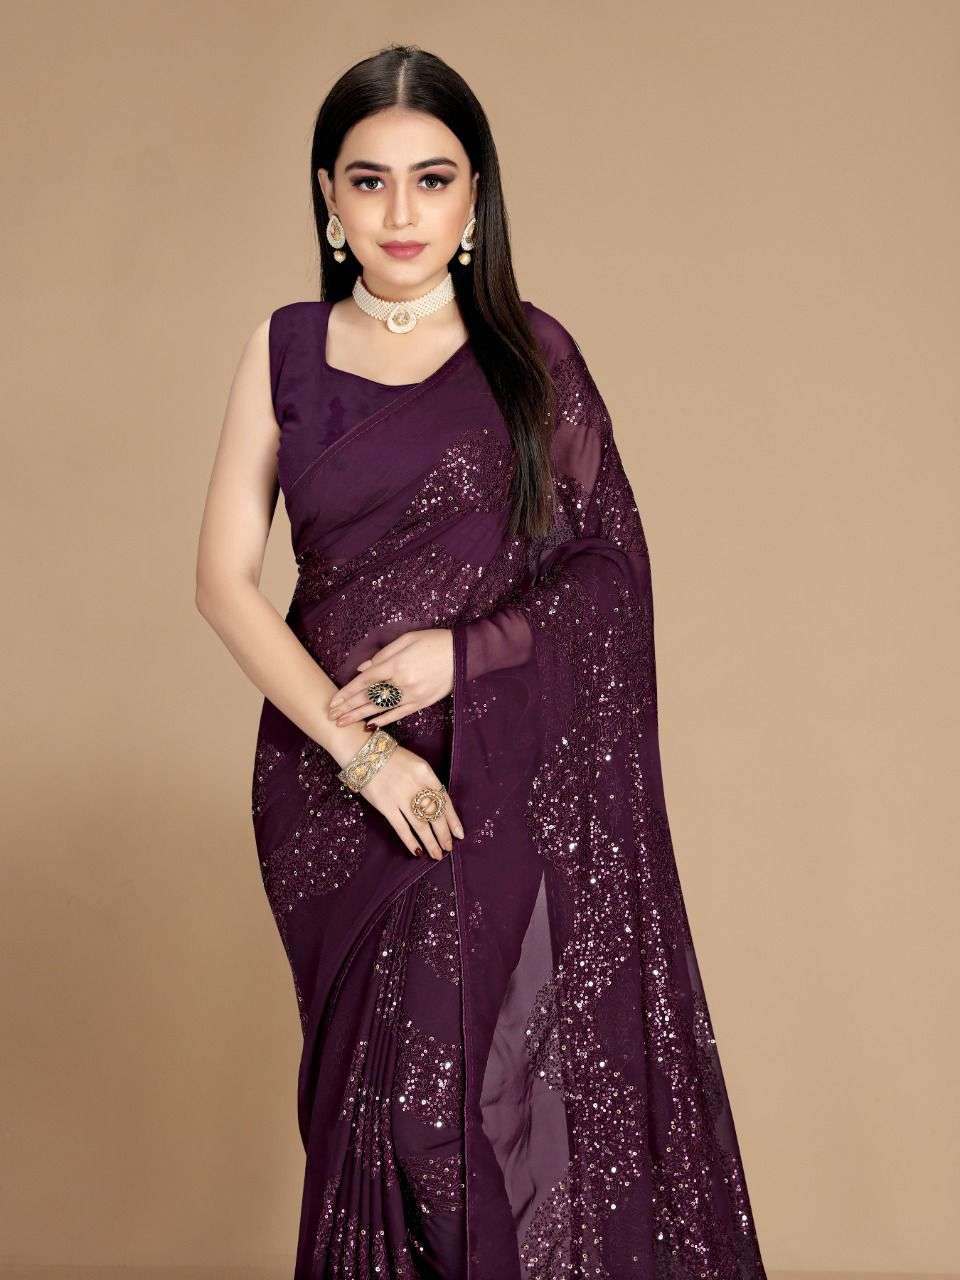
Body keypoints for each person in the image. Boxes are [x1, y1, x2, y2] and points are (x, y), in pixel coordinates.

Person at [195, 42, 768, 1280]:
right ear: (328, 195)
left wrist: (463, 653)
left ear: (474, 196)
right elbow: (222, 582)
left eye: (433, 178)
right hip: (330, 781)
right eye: (369, 180)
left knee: (469, 1115)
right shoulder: (284, 350)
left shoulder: (531, 355)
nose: (400, 212)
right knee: (378, 1113)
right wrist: (363, 757)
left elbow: (609, 570)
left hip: (494, 778)